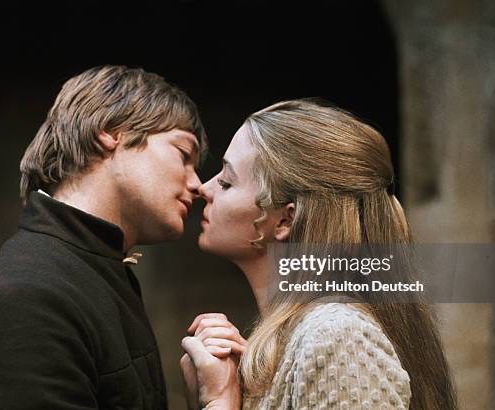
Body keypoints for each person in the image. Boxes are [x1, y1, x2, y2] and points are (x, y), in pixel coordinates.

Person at [0, 65, 206, 409]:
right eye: (183, 155)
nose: (198, 184)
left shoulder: (96, 269)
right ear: (111, 133)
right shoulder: (25, 299)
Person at [180, 99, 457, 409]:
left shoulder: (338, 338)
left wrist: (218, 403)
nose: (204, 188)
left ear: (284, 219)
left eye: (227, 182)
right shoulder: (301, 340)